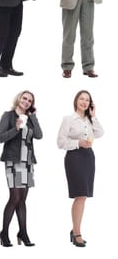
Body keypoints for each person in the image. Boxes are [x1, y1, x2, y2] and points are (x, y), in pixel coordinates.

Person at [56, 90, 103, 247]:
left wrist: (94, 115)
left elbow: (100, 133)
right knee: (80, 194)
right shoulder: (68, 119)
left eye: (87, 100)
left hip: (89, 157)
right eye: (82, 99)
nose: (84, 102)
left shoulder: (90, 120)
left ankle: (74, 230)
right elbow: (60, 142)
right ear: (76, 100)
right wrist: (78, 143)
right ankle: (77, 233)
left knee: (84, 196)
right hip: (74, 158)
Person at [0, 90, 42, 247]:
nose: (27, 102)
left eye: (30, 100)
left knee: (22, 199)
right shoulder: (8, 116)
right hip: (13, 161)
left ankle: (23, 232)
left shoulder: (29, 118)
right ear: (18, 99)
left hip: (27, 161)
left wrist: (33, 116)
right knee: (15, 198)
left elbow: (39, 135)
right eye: (24, 98)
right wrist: (15, 128)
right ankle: (4, 233)